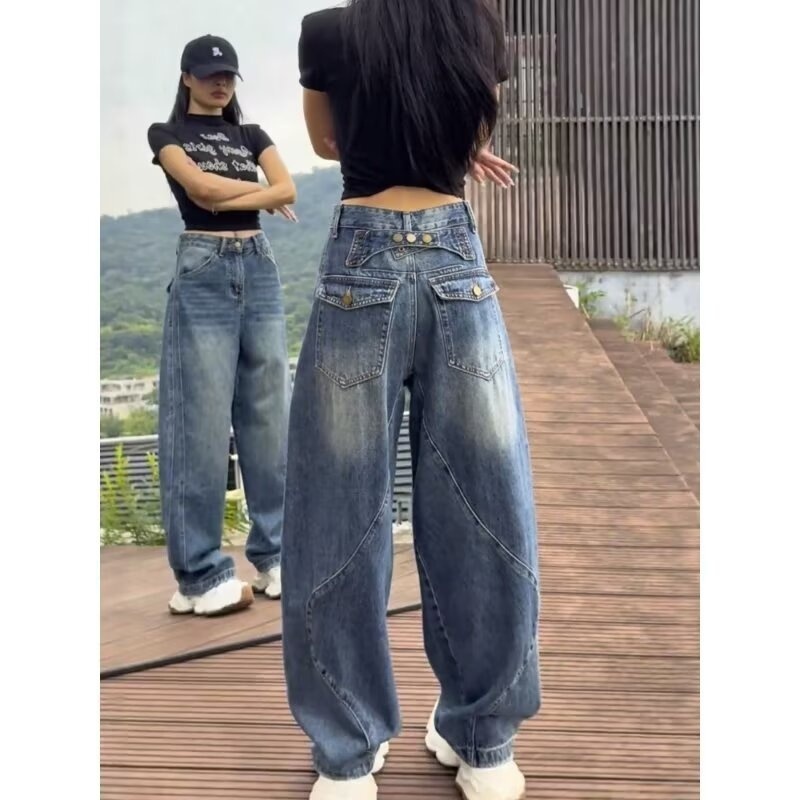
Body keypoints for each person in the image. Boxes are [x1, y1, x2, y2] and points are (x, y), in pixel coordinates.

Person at [281, 3, 541, 799]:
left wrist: (395, 136)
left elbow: (330, 143)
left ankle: (347, 755)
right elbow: (464, 134)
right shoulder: (478, 28)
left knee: (336, 517)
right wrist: (444, 144)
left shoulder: (328, 30)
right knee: (486, 512)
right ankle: (484, 745)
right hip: (456, 261)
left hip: (360, 261)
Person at [147, 34, 295, 617]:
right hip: (203, 267)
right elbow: (201, 191)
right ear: (186, 77)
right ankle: (200, 574)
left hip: (259, 266)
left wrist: (245, 196)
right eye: (210, 74)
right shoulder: (166, 135)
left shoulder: (252, 134)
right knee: (199, 425)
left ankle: (278, 556)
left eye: (229, 75)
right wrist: (259, 193)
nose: (221, 83)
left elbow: (288, 188)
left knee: (269, 419)